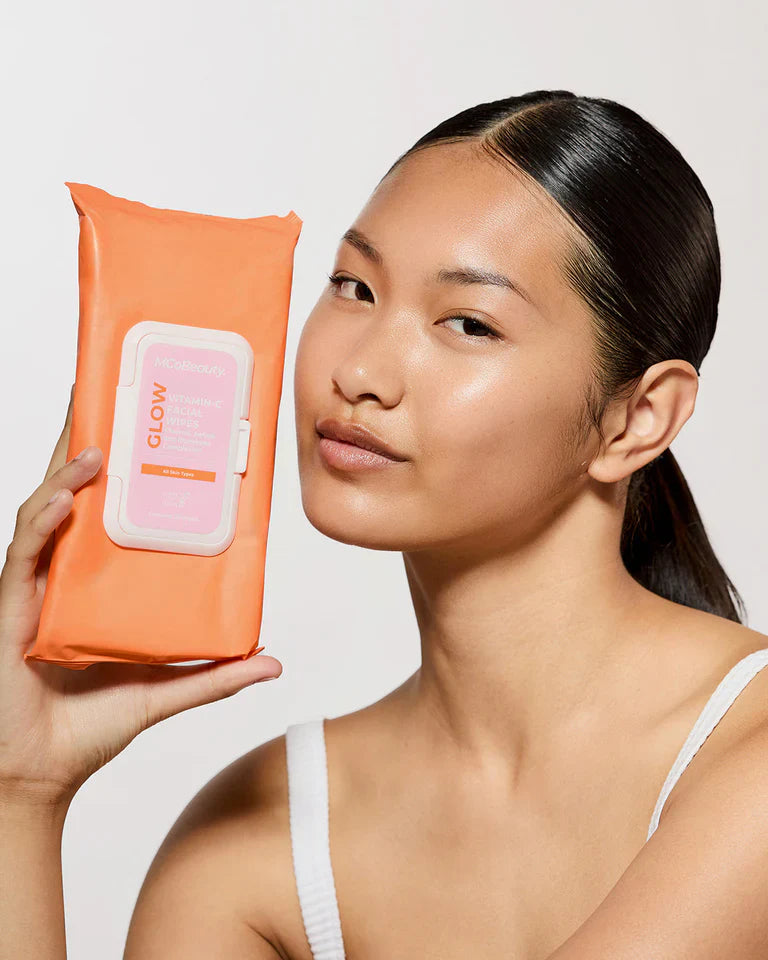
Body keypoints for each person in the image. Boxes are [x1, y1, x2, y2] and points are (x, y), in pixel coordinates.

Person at [2, 89, 768, 960]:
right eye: (354, 287)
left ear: (637, 419)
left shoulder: (750, 761)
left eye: (468, 323)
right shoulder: (262, 842)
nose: (361, 371)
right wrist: (20, 792)